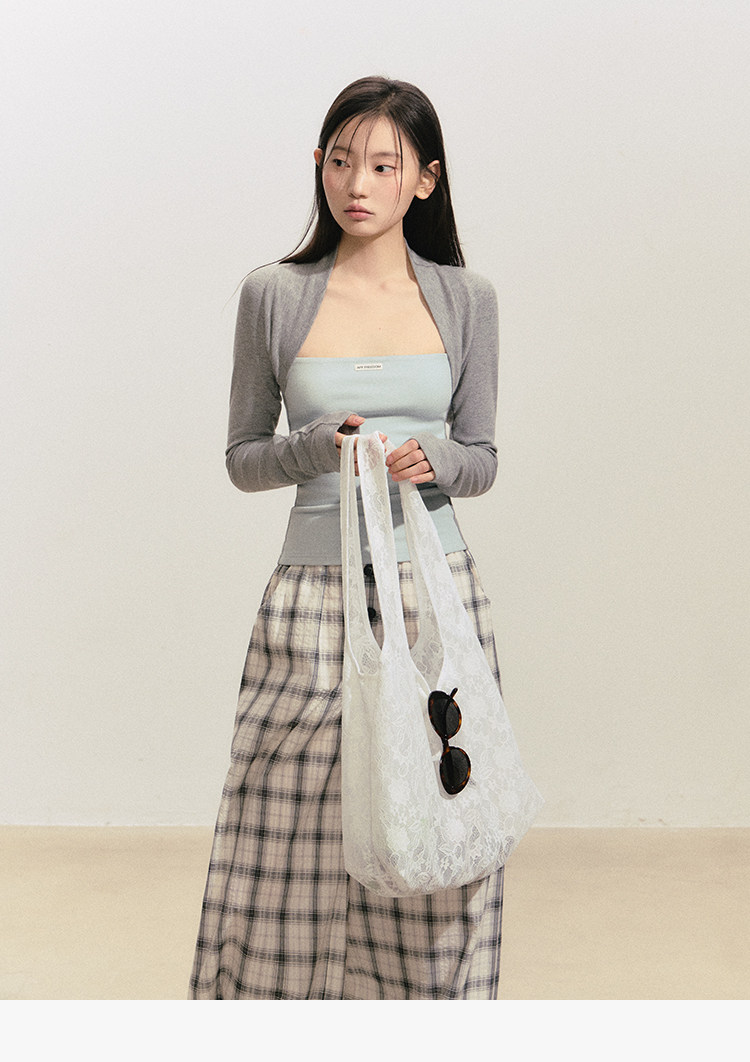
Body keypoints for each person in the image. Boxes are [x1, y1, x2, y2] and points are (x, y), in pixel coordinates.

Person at [189, 75, 504, 1000]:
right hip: (310, 596)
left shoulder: (467, 298)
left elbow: (483, 459)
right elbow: (244, 458)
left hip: (434, 592)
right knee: (281, 825)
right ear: (318, 166)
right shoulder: (273, 294)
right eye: (339, 161)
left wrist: (435, 460)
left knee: (437, 814)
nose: (356, 184)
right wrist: (313, 447)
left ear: (425, 179)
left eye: (382, 166)